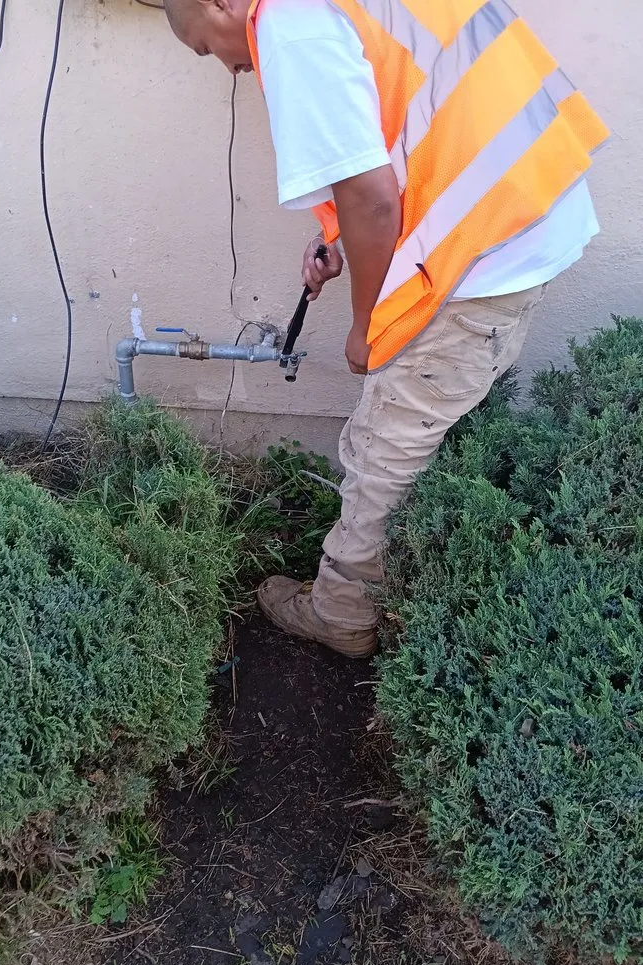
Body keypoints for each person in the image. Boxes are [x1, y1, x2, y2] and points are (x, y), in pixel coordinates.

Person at [163, 0, 609, 658]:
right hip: (519, 208)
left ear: (221, 3)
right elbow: (403, 126)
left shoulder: (290, 22)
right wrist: (341, 234)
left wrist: (368, 324)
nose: (230, 66)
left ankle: (343, 613)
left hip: (478, 255)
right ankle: (398, 582)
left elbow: (372, 195)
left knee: (387, 445)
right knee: (409, 431)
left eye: (209, 47)